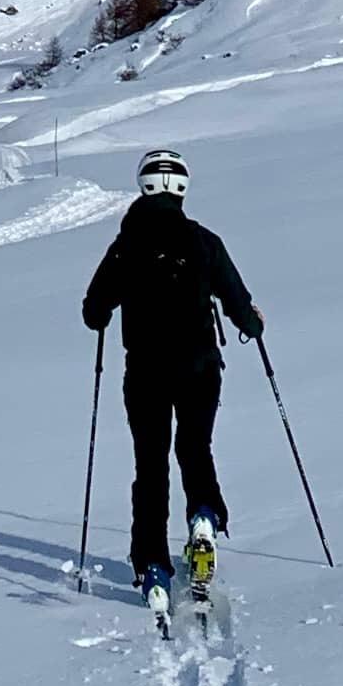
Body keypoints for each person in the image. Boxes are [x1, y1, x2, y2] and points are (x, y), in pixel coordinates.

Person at [82, 143, 262, 599]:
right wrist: (252, 324)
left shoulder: (126, 246)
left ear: (143, 186)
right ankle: (203, 516)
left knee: (151, 465)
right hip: (201, 367)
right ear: (182, 188)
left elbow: (93, 310)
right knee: (195, 448)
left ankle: (153, 566)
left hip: (144, 374)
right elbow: (239, 302)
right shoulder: (204, 242)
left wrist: (106, 311)